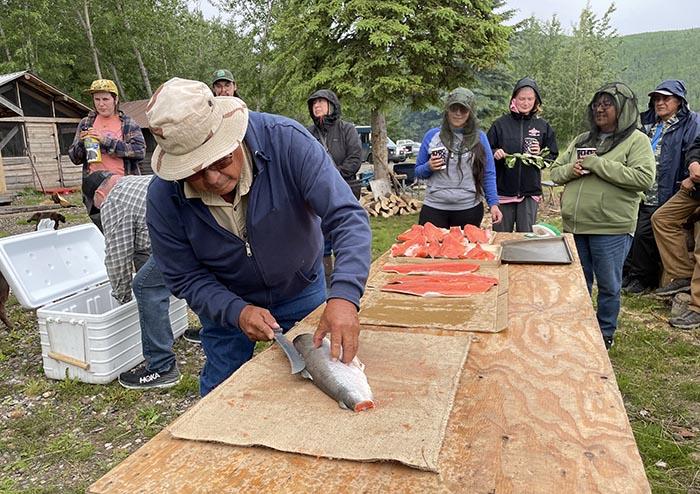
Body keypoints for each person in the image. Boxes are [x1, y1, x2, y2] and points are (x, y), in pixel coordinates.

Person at [144, 78, 371, 396]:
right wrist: (235, 310)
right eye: (194, 172)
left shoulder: (287, 142)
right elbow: (183, 275)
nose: (212, 178)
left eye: (221, 160)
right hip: (224, 299)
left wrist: (345, 296)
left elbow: (347, 217)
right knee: (221, 395)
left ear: (232, 134)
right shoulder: (163, 196)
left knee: (318, 388)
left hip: (301, 286)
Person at [549, 82, 655, 349]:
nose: (600, 108)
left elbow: (644, 178)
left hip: (611, 227)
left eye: (607, 104)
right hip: (575, 224)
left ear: (624, 109)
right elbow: (554, 171)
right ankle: (577, 328)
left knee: (608, 285)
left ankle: (604, 334)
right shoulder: (582, 140)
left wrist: (598, 164)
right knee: (576, 281)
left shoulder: (637, 140)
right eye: (597, 104)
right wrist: (572, 170)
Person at [82, 171, 181, 389]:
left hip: (181, 237)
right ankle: (209, 332)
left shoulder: (113, 199)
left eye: (95, 206)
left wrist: (122, 296)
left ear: (99, 194)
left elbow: (118, 256)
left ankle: (161, 367)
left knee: (145, 286)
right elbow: (145, 244)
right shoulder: (136, 182)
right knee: (198, 276)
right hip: (197, 228)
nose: (98, 211)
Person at [622, 80, 700, 294]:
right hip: (640, 188)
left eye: (666, 98)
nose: (660, 102)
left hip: (668, 189)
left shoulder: (691, 123)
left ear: (679, 101)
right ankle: (627, 273)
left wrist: (688, 181)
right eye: (656, 98)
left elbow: (692, 152)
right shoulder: (647, 123)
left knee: (645, 232)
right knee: (630, 228)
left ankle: (642, 279)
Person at [414, 87, 502, 229]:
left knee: (467, 250)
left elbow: (488, 174)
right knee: (432, 251)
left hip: (469, 209)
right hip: (434, 209)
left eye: (464, 109)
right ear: (447, 110)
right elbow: (418, 172)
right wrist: (428, 167)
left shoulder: (480, 138)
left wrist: (493, 204)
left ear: (471, 112)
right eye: (454, 108)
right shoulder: (432, 136)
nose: (458, 113)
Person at [68, 79, 145, 231]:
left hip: (124, 184)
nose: (101, 104)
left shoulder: (128, 123)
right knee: (102, 229)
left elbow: (139, 151)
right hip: (95, 185)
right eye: (97, 99)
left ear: (115, 100)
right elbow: (74, 157)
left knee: (127, 230)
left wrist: (105, 141)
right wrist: (83, 144)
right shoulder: (86, 123)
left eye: (105, 99)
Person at [306, 89, 363, 287]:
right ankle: (326, 284)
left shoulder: (347, 129)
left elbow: (355, 158)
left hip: (345, 191)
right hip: (317, 194)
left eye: (321, 102)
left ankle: (347, 282)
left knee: (344, 237)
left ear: (332, 105)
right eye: (314, 104)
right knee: (320, 242)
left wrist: (333, 174)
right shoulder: (308, 133)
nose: (317, 106)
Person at [487, 77, 559, 232]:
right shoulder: (500, 124)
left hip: (529, 192)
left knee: (525, 239)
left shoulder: (542, 126)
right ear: (514, 99)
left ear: (536, 101)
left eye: (530, 99)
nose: (525, 103)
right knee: (501, 239)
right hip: (503, 192)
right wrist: (494, 153)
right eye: (522, 99)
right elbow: (484, 153)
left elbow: (552, 154)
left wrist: (539, 155)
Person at [651, 134, 700, 329]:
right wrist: (694, 163)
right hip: (696, 187)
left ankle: (697, 308)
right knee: (662, 219)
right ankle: (683, 275)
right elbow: (697, 145)